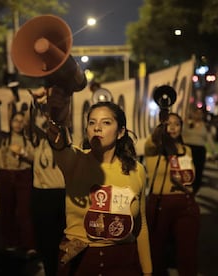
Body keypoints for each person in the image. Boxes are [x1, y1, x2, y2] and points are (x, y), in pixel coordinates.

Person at [33, 87, 152, 275]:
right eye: (91, 122)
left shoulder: (137, 170)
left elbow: (141, 227)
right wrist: (55, 112)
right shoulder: (74, 161)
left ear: (120, 132)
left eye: (106, 122)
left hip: (124, 262)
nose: (97, 127)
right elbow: (58, 138)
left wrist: (148, 271)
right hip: (80, 261)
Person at [144, 112, 200, 276]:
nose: (173, 127)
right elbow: (153, 139)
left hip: (185, 203)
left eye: (177, 123)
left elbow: (191, 177)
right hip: (160, 204)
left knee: (187, 251)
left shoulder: (186, 150)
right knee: (157, 251)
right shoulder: (154, 148)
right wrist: (161, 124)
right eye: (168, 124)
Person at [24, 98, 66, 276]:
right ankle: (50, 270)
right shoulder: (37, 140)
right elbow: (28, 126)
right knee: (45, 241)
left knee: (60, 240)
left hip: (59, 195)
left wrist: (52, 113)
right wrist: (33, 105)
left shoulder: (61, 138)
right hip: (40, 195)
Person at [0, 111, 36, 256]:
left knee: (24, 211)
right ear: (10, 123)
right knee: (6, 209)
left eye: (21, 121)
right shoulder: (4, 138)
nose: (18, 123)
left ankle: (29, 244)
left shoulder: (28, 139)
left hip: (23, 175)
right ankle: (10, 242)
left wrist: (23, 153)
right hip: (6, 174)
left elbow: (34, 159)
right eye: (15, 120)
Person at [182, 107, 213, 194]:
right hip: (188, 149)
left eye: (200, 113)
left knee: (198, 172)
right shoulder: (187, 123)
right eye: (196, 113)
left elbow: (209, 138)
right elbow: (182, 134)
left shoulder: (205, 125)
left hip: (200, 150)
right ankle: (185, 188)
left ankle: (194, 191)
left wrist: (213, 152)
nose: (198, 115)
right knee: (187, 170)